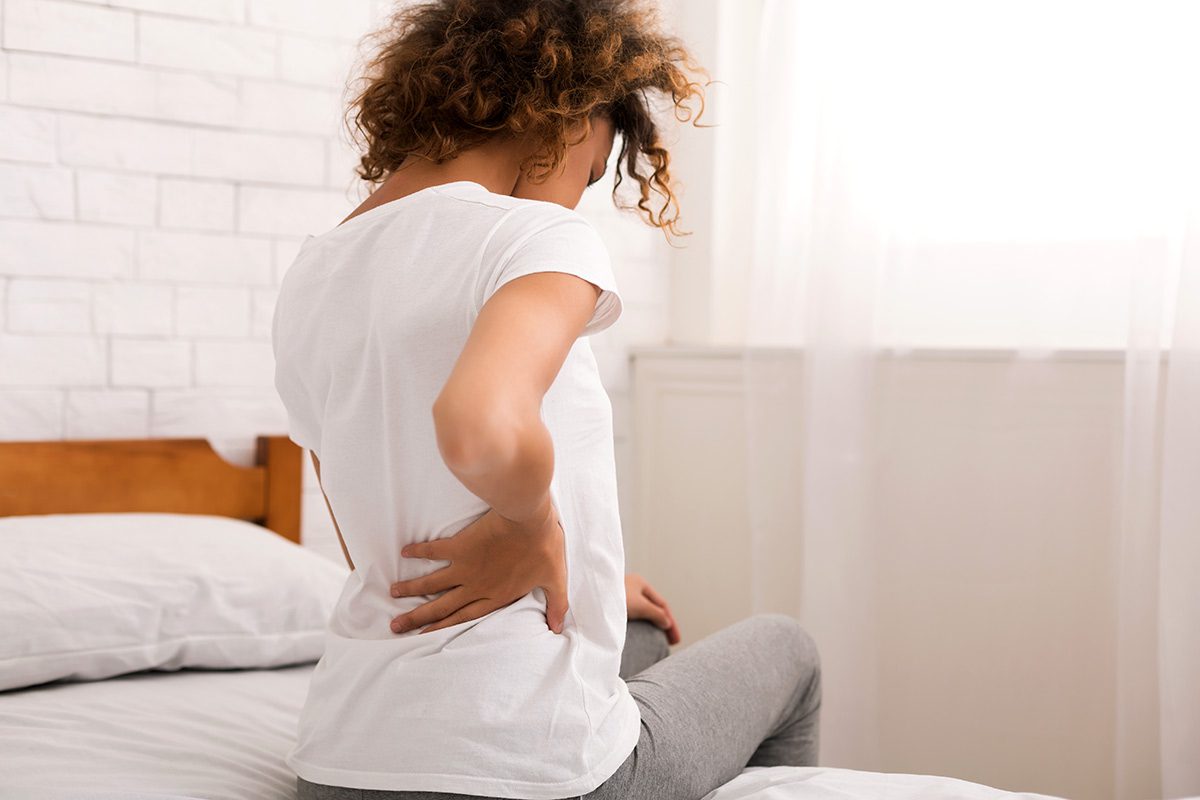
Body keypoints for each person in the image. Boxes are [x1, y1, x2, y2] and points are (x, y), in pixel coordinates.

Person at [271, 2, 822, 799]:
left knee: (638, 629)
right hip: (529, 773)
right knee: (788, 649)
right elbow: (479, 424)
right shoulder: (535, 241)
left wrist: (592, 574)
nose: (579, 199)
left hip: (340, 767)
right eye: (593, 172)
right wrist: (531, 525)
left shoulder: (312, 275)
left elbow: (371, 545)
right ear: (567, 112)